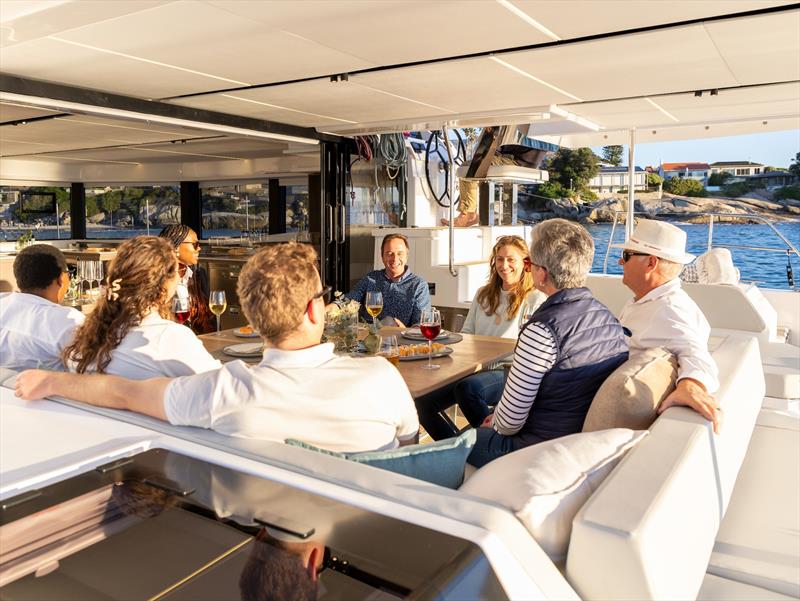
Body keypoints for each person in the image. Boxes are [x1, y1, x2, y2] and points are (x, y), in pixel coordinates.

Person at [16, 242, 419, 453]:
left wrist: (50, 381)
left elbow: (122, 392)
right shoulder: (381, 377)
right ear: (317, 311)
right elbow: (407, 452)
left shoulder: (224, 392)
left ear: (254, 320)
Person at [467, 219, 629, 467]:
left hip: (542, 449)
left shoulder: (542, 330)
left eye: (530, 263)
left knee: (460, 443)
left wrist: (493, 421)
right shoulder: (607, 317)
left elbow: (509, 423)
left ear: (541, 274)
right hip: (584, 441)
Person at [417, 234, 546, 439]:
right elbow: (467, 335)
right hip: (475, 368)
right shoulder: (483, 294)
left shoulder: (535, 298)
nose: (504, 265)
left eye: (511, 259)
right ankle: (458, 448)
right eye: (500, 259)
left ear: (525, 263)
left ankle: (493, 443)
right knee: (422, 402)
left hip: (509, 371)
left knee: (468, 389)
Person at [615, 220, 721, 433]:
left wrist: (691, 385)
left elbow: (698, 355)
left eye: (627, 255)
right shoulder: (649, 301)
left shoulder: (669, 310)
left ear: (651, 263)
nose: (620, 262)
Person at [62, 236, 221, 379]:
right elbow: (221, 389)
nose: (180, 276)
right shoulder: (169, 337)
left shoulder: (88, 337)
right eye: (175, 270)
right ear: (164, 283)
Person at [0, 244, 84, 371]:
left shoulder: (3, 301)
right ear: (61, 279)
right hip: (46, 389)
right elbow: (91, 371)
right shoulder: (69, 322)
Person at [345, 233, 431, 327]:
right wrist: (329, 310)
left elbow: (422, 325)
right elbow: (347, 302)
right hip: (367, 336)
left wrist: (404, 330)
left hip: (399, 338)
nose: (395, 259)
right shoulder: (371, 278)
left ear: (406, 256)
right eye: (389, 254)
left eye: (400, 253)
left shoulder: (418, 285)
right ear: (382, 257)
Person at [159, 224, 215, 334]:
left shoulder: (198, 276)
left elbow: (210, 320)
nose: (199, 248)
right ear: (175, 247)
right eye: (195, 244)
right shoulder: (158, 281)